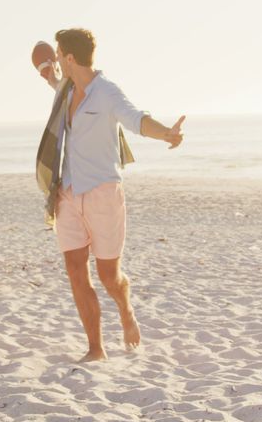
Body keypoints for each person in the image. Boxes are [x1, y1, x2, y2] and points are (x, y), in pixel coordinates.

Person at [36, 28, 185, 362]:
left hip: (103, 192)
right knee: (75, 269)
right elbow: (55, 79)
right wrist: (46, 70)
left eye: (60, 54)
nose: (59, 59)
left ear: (70, 57)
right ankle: (95, 348)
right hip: (68, 192)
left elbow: (135, 119)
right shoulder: (65, 89)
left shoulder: (106, 92)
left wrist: (166, 134)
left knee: (108, 276)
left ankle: (126, 309)